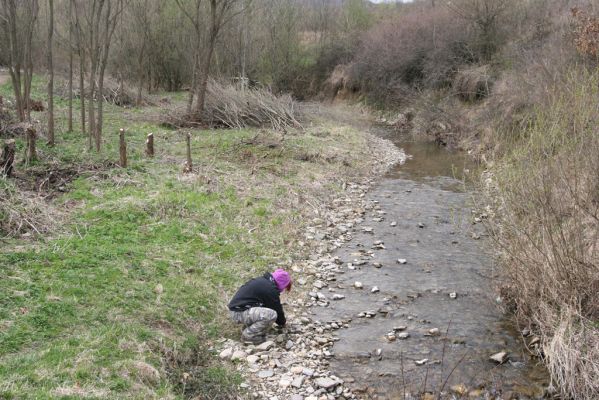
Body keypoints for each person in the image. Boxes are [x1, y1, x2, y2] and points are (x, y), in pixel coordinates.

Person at [228, 269, 292, 344]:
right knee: (271, 314)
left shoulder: (264, 282)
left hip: (238, 310)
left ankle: (248, 329)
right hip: (239, 312)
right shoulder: (270, 289)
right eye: (284, 287)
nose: (283, 290)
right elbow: (277, 309)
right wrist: (282, 323)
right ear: (282, 284)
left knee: (265, 310)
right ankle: (249, 336)